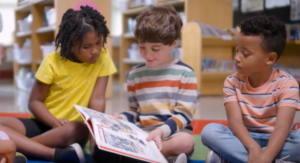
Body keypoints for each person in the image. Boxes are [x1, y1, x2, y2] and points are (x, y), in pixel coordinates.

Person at [0, 6, 116, 163]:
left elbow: (97, 100)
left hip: (69, 131)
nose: (95, 50)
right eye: (86, 46)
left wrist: (96, 145)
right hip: (43, 123)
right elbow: (34, 102)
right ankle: (53, 153)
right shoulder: (51, 62)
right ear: (69, 44)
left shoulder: (103, 57)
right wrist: (53, 121)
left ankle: (17, 147)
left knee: (77, 129)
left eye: (98, 43)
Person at [92, 5, 197, 163]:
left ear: (172, 43)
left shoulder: (185, 73)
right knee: (103, 144)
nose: (147, 54)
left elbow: (184, 115)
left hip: (171, 135)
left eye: (155, 48)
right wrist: (120, 118)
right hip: (143, 135)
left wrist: (161, 132)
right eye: (142, 47)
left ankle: (146, 155)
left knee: (186, 141)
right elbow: (134, 111)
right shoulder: (135, 74)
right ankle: (155, 157)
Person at [201, 15, 300, 163]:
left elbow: (282, 127)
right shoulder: (232, 82)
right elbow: (235, 121)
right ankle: (273, 159)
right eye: (237, 50)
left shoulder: (287, 83)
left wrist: (266, 156)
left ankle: (233, 158)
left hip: (281, 139)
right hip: (245, 139)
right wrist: (253, 147)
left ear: (270, 59)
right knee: (209, 132)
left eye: (245, 54)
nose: (237, 58)